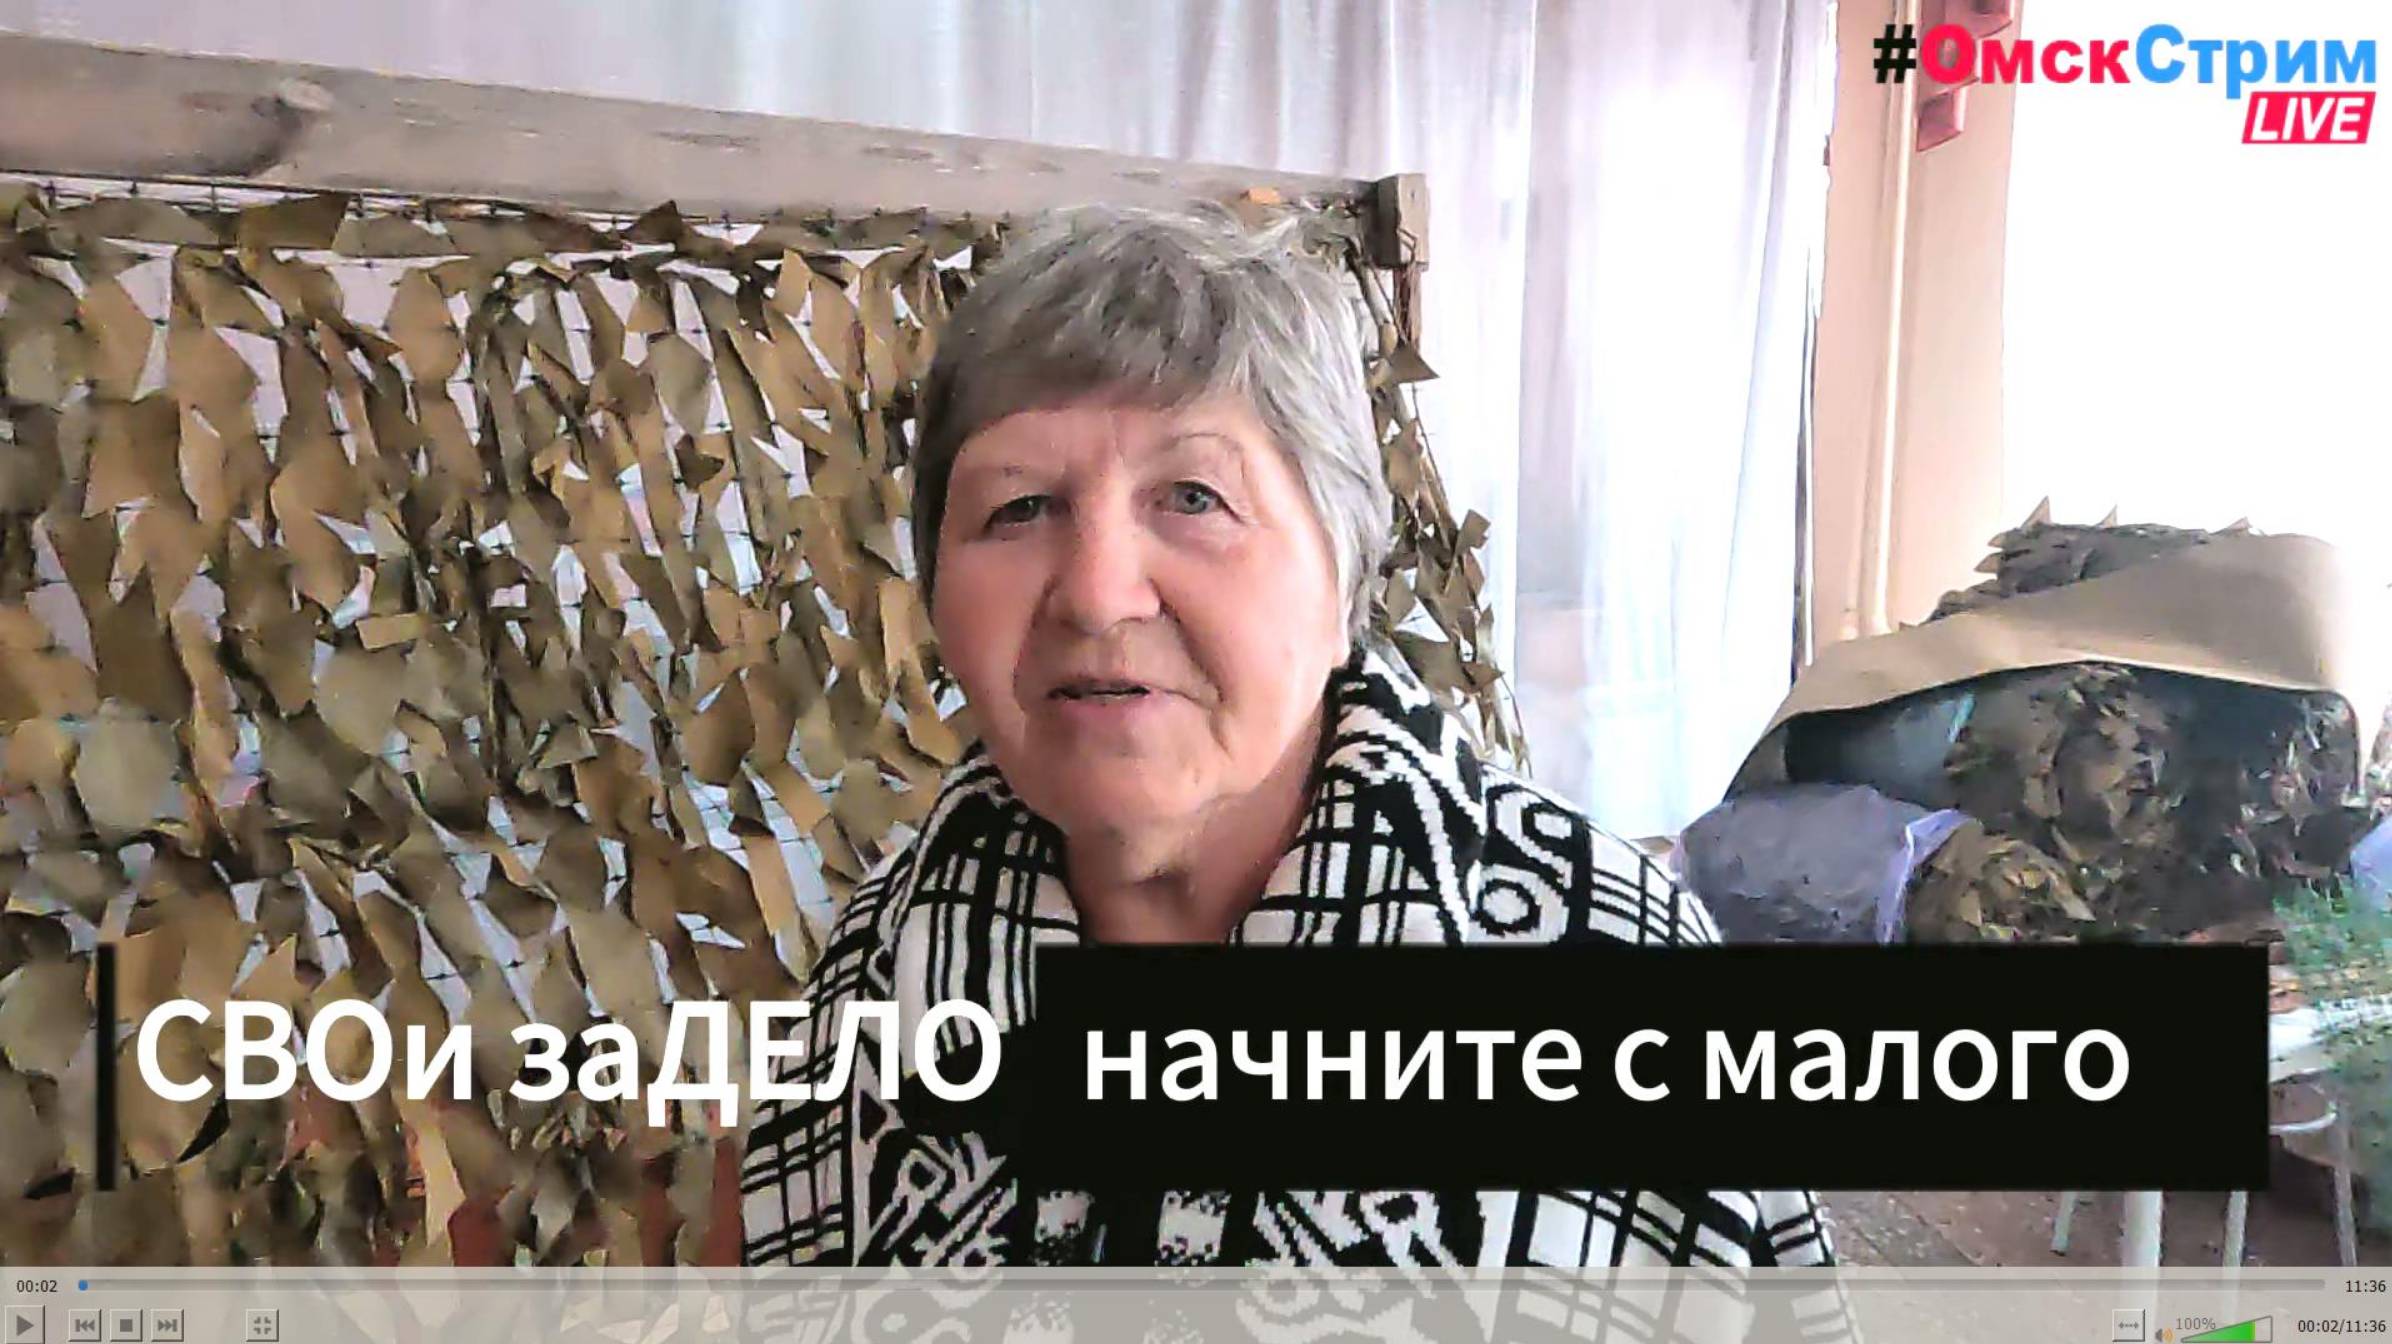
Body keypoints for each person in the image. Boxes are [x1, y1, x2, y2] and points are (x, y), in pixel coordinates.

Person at [736, 204, 1838, 1270]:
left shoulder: (1608, 966)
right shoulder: (876, 969)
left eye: (1193, 497)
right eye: (1018, 509)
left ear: (1343, 577)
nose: (1098, 594)